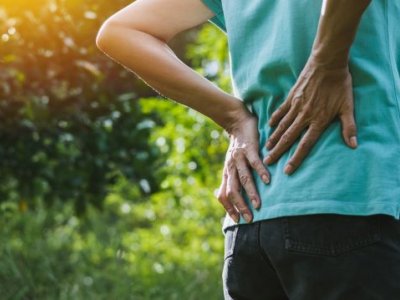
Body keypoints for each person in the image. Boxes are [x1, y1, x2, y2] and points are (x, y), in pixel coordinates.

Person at [96, 0, 400, 299]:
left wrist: (233, 117)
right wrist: (327, 63)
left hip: (250, 226)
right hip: (351, 202)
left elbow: (122, 31)